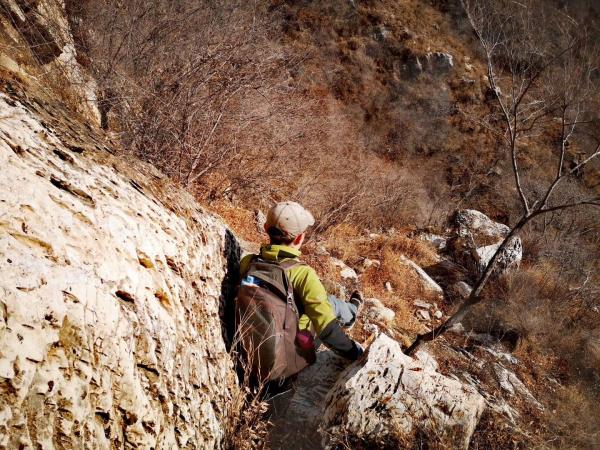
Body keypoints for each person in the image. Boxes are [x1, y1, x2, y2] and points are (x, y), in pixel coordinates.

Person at [238, 201, 364, 370]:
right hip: (287, 359)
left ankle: (351, 311)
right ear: (299, 238)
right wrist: (358, 353)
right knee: (328, 303)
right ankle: (352, 313)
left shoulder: (248, 262)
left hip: (249, 351)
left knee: (318, 298)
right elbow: (327, 331)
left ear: (266, 228)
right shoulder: (302, 274)